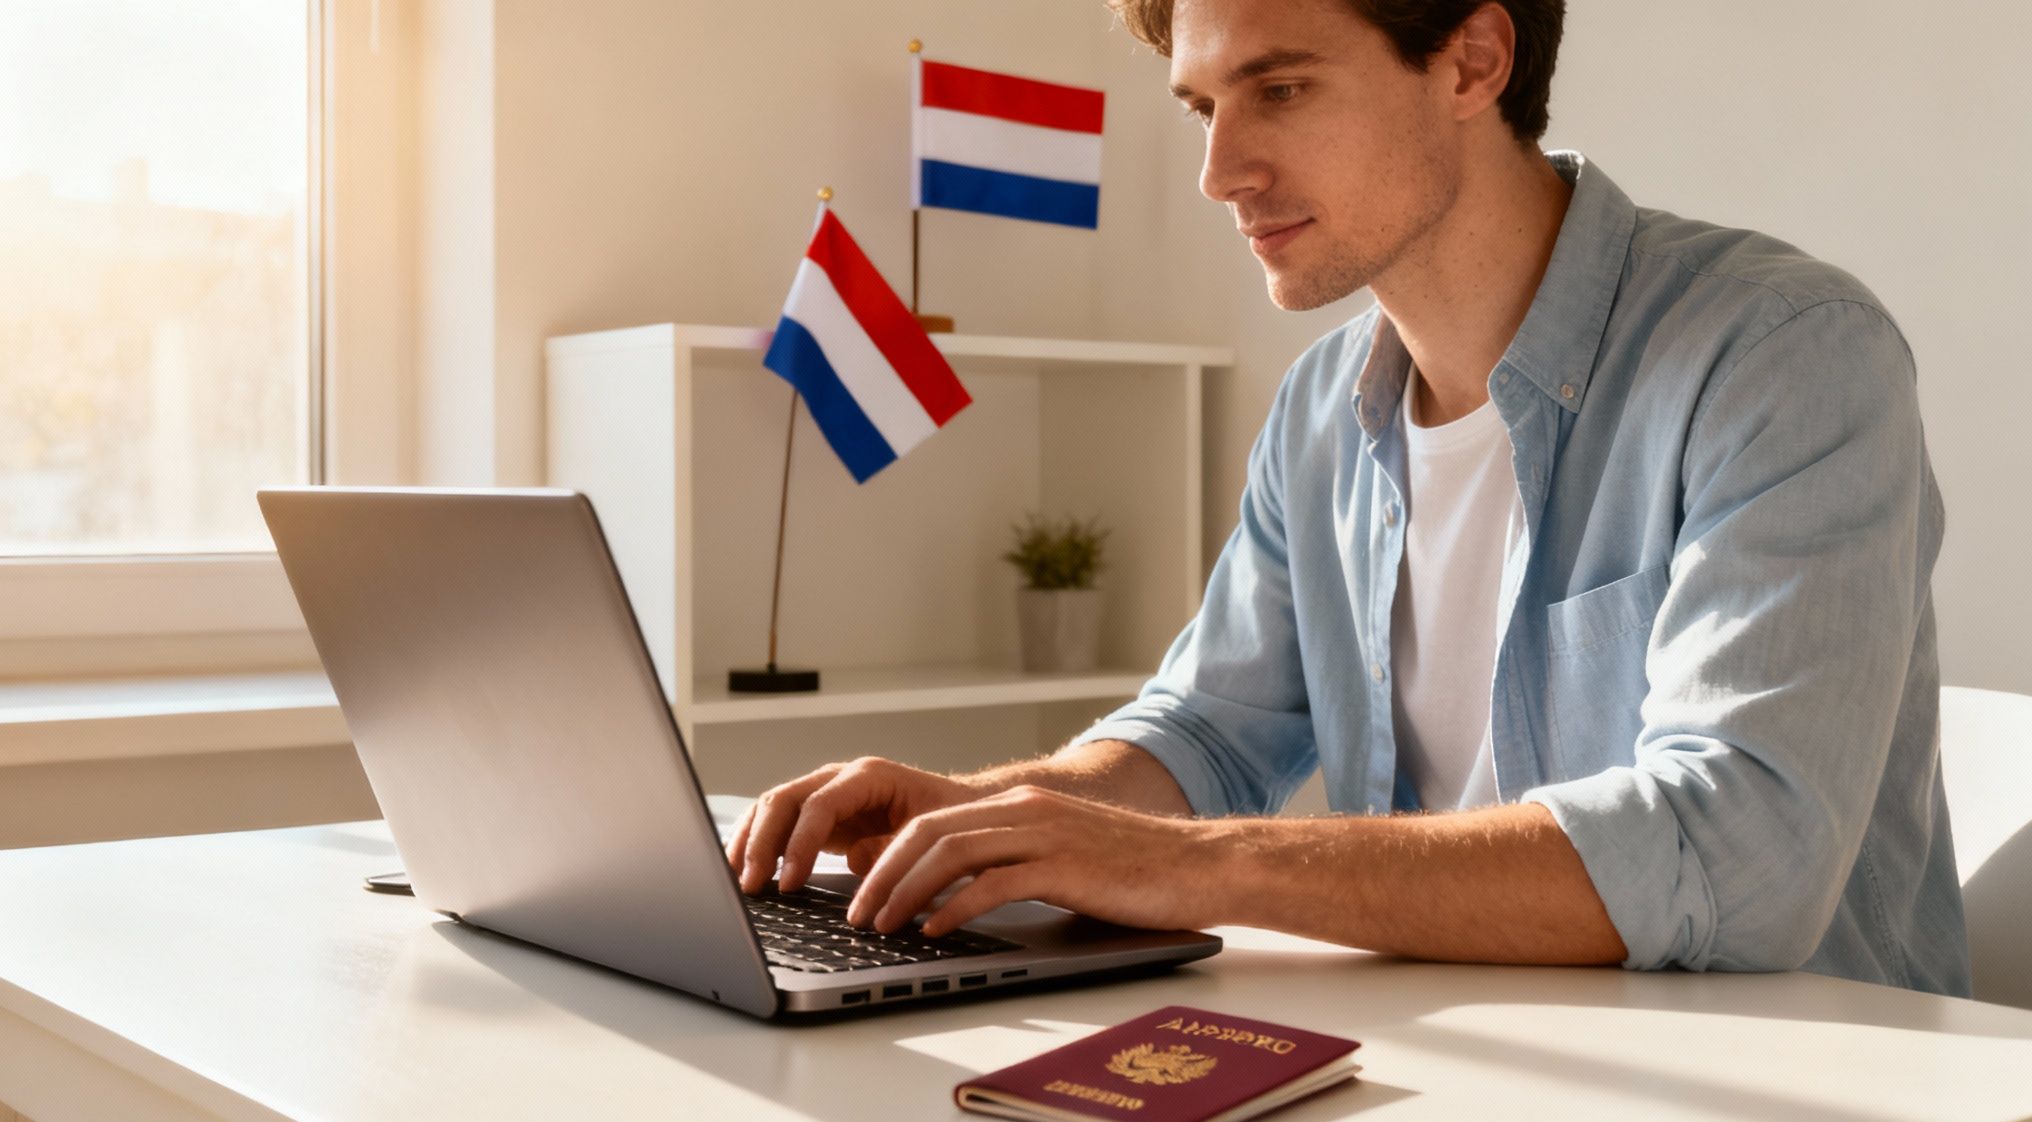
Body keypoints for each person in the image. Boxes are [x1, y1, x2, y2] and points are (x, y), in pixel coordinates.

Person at [728, 0, 1968, 994]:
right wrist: (990, 809)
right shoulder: (1324, 408)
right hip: (1455, 1062)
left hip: (1789, 1095)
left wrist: (1189, 867)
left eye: (1278, 88)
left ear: (1473, 58)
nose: (1218, 172)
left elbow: (1733, 853)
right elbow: (1207, 734)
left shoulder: (1782, 353)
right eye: (1201, 107)